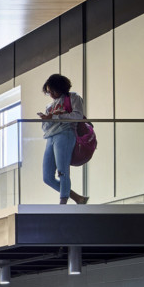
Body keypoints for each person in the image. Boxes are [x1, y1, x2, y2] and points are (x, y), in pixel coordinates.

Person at [38, 74, 89, 205]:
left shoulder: (73, 97)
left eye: (53, 91)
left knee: (63, 171)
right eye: (49, 92)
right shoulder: (49, 106)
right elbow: (45, 127)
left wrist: (57, 117)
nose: (51, 95)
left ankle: (63, 202)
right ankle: (77, 198)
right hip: (50, 136)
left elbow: (78, 115)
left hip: (66, 133)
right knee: (47, 177)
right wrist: (48, 118)